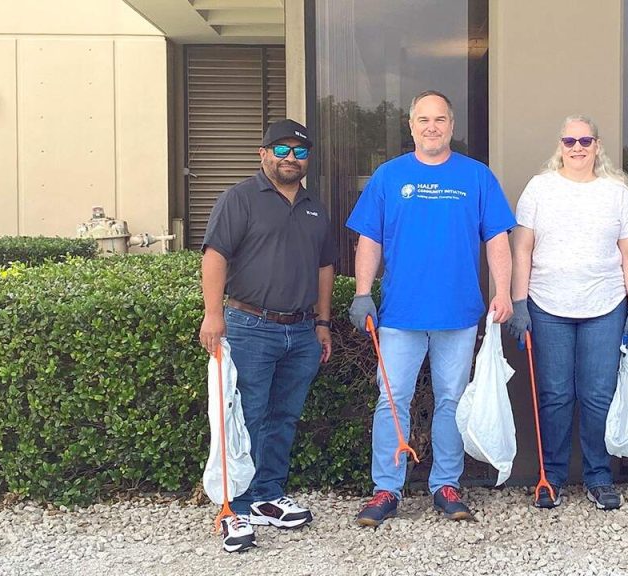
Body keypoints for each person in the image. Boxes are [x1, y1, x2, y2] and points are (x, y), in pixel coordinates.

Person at [346, 90, 515, 527]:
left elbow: (497, 238)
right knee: (391, 401)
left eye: (440, 120)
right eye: (423, 120)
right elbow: (370, 238)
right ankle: (386, 489)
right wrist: (363, 291)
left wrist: (504, 290)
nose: (432, 127)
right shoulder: (388, 176)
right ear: (411, 126)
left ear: (452, 126)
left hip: (458, 314)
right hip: (399, 314)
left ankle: (445, 485)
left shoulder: (476, 177)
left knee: (452, 402)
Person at [199, 119, 337, 552]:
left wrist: (322, 322)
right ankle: (233, 509)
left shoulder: (315, 207)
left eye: (299, 151)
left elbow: (324, 268)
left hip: (301, 330)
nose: (290, 158)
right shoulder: (239, 199)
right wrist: (212, 314)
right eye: (281, 149)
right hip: (248, 327)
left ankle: (267, 496)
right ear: (263, 154)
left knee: (283, 418)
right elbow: (215, 255)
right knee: (245, 418)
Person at [506, 115, 628, 511]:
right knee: (555, 395)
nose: (578, 147)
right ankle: (550, 477)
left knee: (599, 395)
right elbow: (522, 250)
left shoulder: (616, 193)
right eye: (570, 140)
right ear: (560, 145)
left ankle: (599, 477)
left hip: (606, 305)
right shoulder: (540, 188)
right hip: (547, 305)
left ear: (597, 145)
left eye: (586, 140)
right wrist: (519, 303)